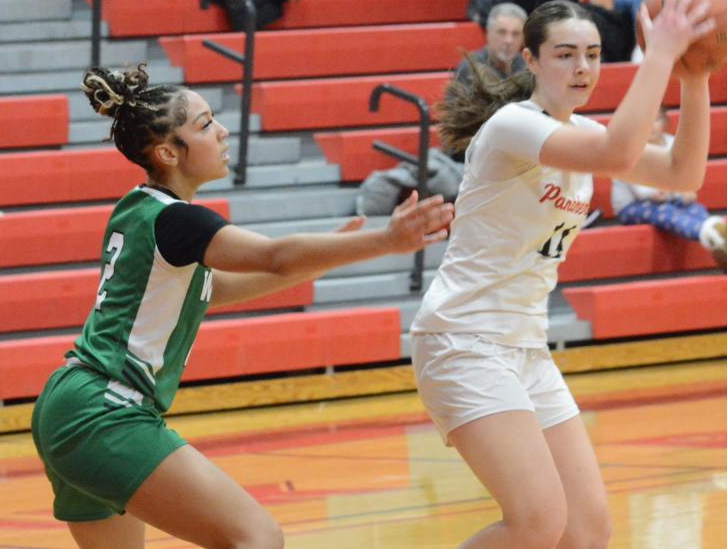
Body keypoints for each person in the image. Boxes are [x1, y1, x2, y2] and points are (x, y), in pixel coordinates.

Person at [31, 65, 453, 549]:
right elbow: (274, 257)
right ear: (169, 152)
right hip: (105, 410)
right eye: (206, 124)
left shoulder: (138, 206)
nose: (223, 130)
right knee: (257, 538)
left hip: (68, 401)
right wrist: (386, 240)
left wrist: (323, 260)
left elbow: (220, 289)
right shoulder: (177, 220)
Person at [411, 0, 714, 549]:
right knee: (535, 523)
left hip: (524, 346)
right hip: (463, 339)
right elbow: (620, 155)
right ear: (530, 61)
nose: (583, 68)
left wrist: (694, 80)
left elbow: (684, 171)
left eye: (595, 55)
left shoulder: (587, 133)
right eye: (566, 54)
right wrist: (660, 57)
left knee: (586, 531)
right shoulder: (512, 126)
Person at [611, 107, 727, 273]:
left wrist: (687, 191)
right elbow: (644, 191)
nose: (651, 125)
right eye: (644, 121)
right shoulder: (630, 149)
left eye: (656, 120)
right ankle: (718, 237)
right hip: (633, 206)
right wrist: (679, 192)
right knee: (669, 212)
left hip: (668, 196)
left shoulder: (672, 143)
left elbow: (684, 172)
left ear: (666, 122)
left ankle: (726, 242)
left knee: (696, 209)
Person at [454, 2, 528, 84]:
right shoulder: (470, 68)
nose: (509, 40)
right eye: (502, 32)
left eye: (516, 34)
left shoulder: (528, 68)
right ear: (488, 33)